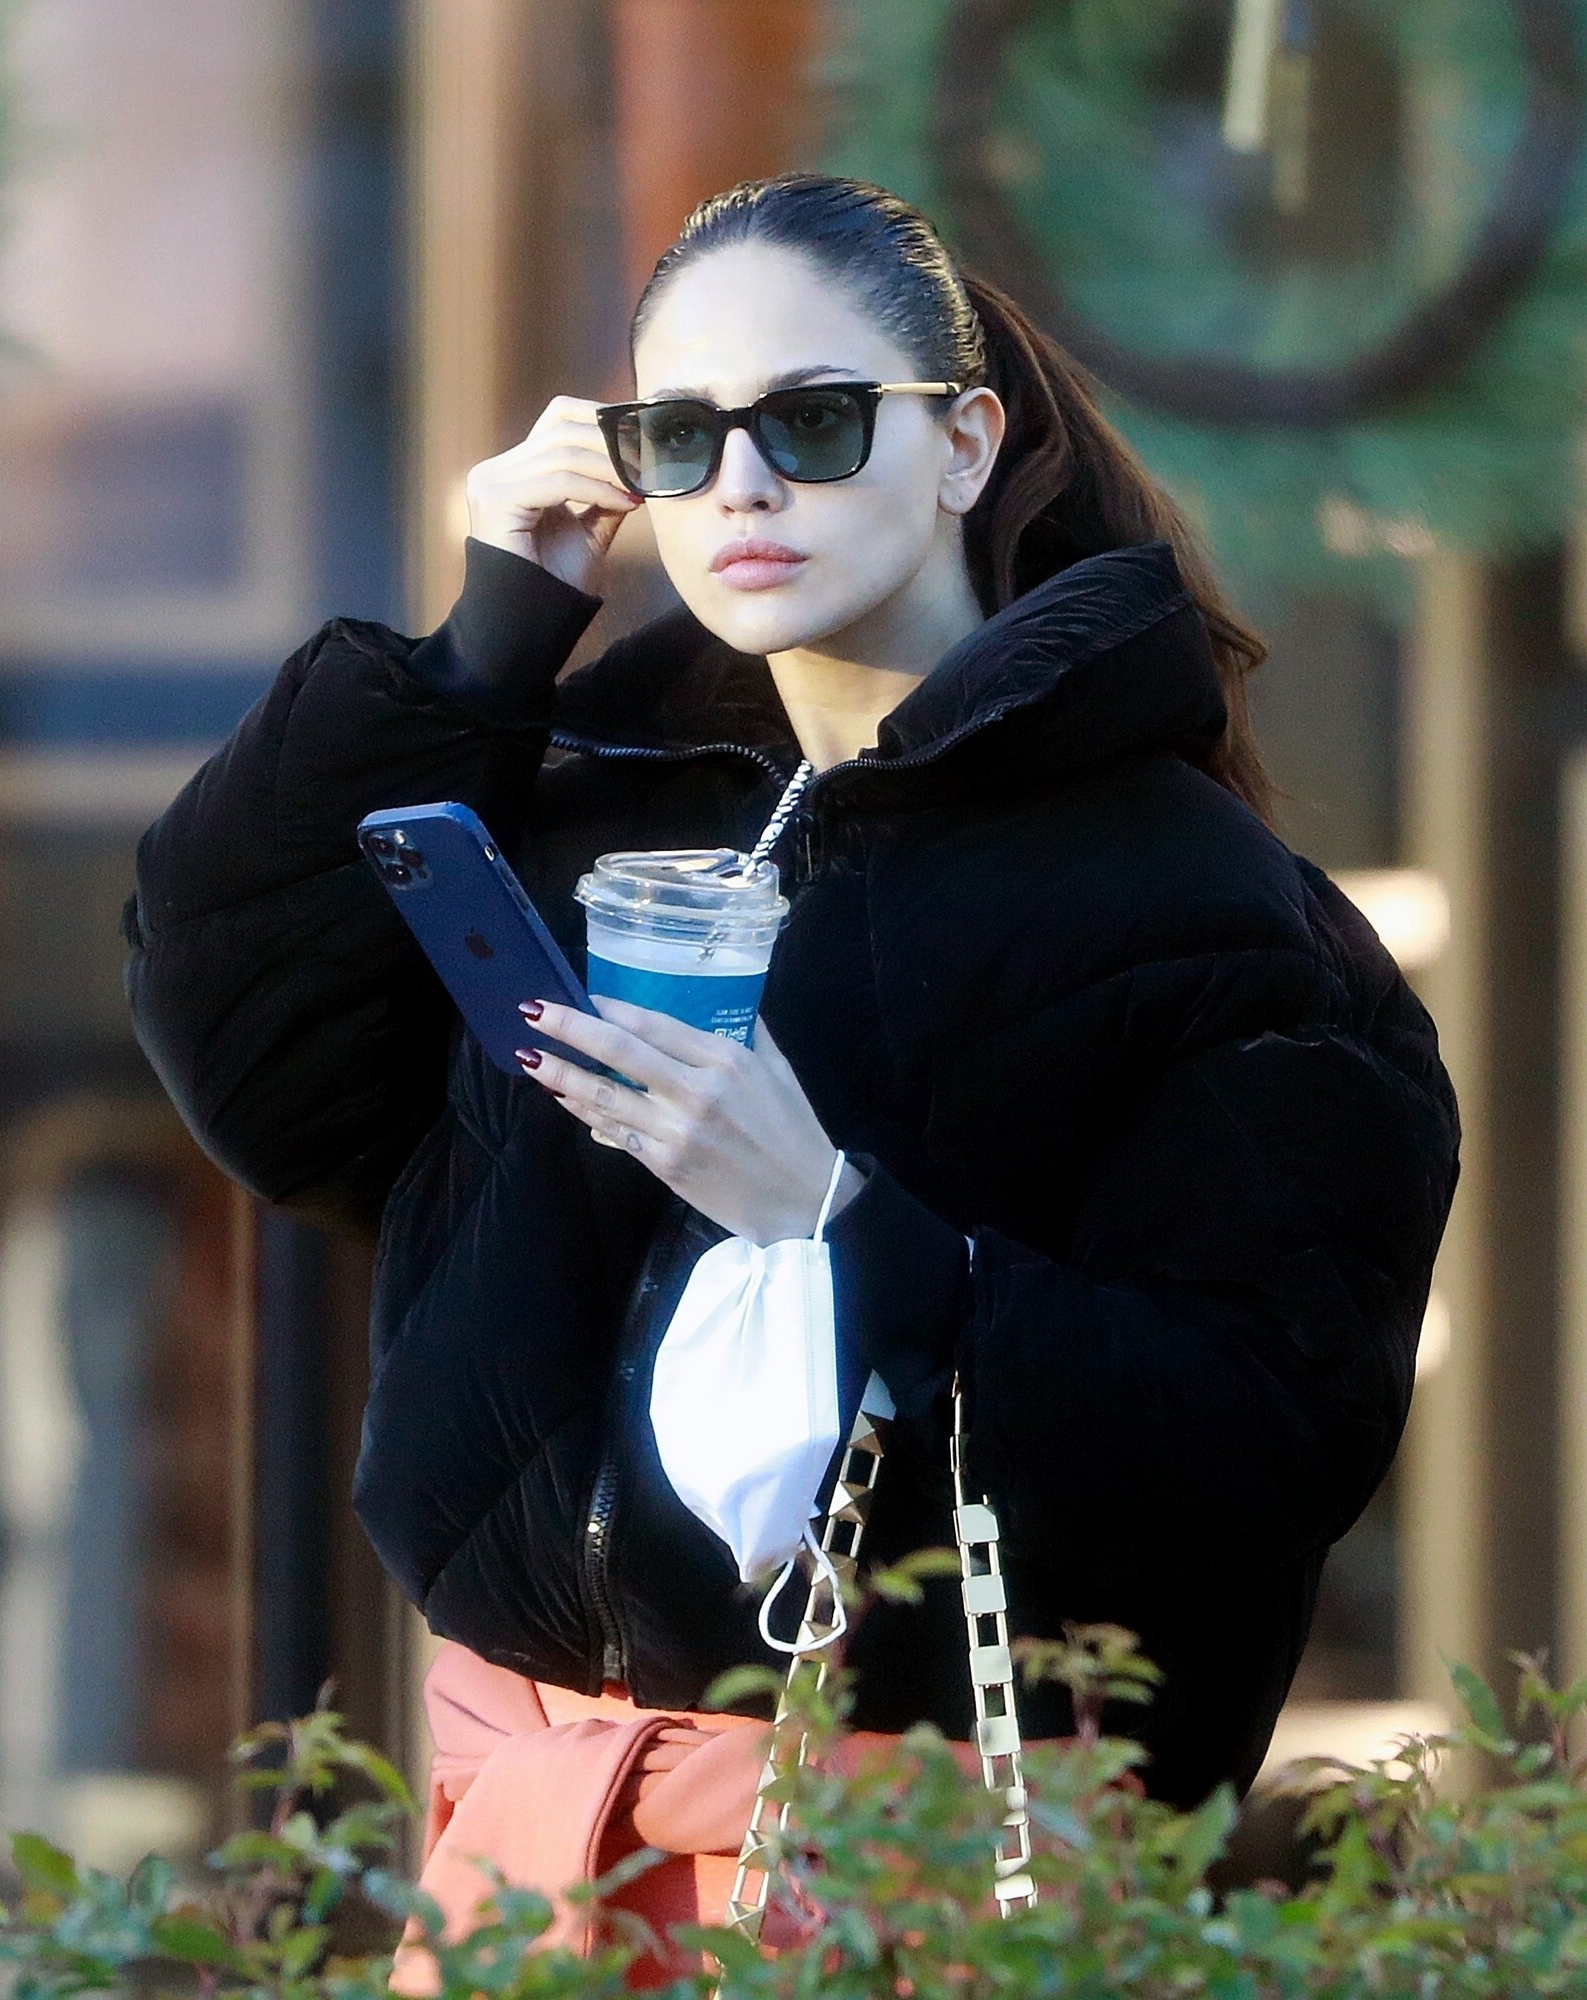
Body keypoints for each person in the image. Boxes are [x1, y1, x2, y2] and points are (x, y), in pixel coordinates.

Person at [124, 174, 1459, 1971]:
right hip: (526, 1860)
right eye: (679, 437)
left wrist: (836, 1224)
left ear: (966, 446)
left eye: (815, 423)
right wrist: (486, 645)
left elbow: (1262, 1446)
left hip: (913, 1869)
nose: (741, 486)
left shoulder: (1204, 913)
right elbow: (255, 1073)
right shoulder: (596, 809)